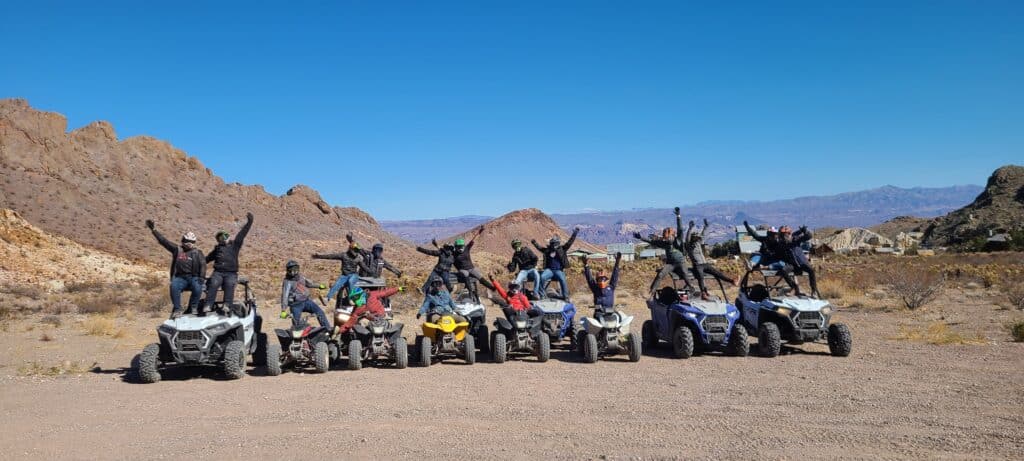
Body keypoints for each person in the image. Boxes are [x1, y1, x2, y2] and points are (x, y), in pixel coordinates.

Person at [146, 219, 206, 319]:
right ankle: (177, 309)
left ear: (194, 242)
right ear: (183, 240)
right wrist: (154, 230)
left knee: (198, 287)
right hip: (180, 278)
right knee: (173, 286)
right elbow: (164, 241)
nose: (189, 243)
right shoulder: (177, 249)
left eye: (191, 241)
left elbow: (203, 264)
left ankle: (193, 307)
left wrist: (202, 277)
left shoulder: (198, 252)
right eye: (187, 241)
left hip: (193, 277)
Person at [634, 207, 695, 297]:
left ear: (672, 236)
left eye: (668, 237)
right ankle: (652, 291)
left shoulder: (678, 240)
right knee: (661, 274)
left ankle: (691, 288)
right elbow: (652, 242)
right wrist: (640, 238)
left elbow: (680, 229)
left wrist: (678, 216)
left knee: (685, 274)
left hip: (681, 262)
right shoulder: (664, 244)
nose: (667, 239)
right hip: (671, 264)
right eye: (666, 237)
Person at [203, 212, 254, 314]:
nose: (223, 238)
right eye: (220, 237)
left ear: (228, 236)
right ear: (218, 240)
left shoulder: (235, 245)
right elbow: (207, 259)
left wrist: (249, 222)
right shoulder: (217, 249)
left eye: (225, 236)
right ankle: (208, 305)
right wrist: (196, 261)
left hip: (231, 273)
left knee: (230, 284)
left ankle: (227, 305)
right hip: (218, 272)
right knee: (214, 283)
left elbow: (242, 234)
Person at [684, 218, 739, 298]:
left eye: (697, 238)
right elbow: (687, 238)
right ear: (692, 239)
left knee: (717, 273)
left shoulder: (698, 243)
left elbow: (703, 235)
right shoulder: (688, 246)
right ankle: (703, 293)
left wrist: (706, 226)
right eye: (695, 238)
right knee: (700, 277)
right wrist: (690, 228)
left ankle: (732, 281)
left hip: (705, 264)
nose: (697, 239)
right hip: (697, 265)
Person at [313, 233, 365, 306]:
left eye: (357, 250)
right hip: (344, 275)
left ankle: (351, 299)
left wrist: (370, 271)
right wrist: (319, 256)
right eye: (355, 250)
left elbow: (364, 266)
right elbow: (331, 256)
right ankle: (327, 298)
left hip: (354, 274)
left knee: (350, 282)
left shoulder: (358, 258)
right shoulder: (343, 255)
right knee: (336, 285)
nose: (355, 252)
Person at [279, 260, 330, 329]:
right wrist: (283, 310)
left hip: (306, 301)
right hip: (295, 305)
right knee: (296, 323)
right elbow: (285, 295)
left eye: (295, 268)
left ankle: (328, 330)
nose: (293, 271)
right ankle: (298, 339)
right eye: (291, 269)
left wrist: (319, 286)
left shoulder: (301, 277)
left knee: (320, 312)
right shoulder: (288, 281)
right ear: (288, 270)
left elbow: (309, 284)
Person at [532, 227, 580, 299]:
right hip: (549, 270)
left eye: (555, 243)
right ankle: (541, 295)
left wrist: (575, 233)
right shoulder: (548, 250)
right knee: (542, 277)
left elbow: (570, 242)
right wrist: (535, 243)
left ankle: (565, 296)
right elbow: (540, 248)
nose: (553, 245)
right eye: (552, 243)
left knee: (562, 279)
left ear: (557, 243)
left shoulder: (562, 249)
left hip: (558, 270)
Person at [451, 226, 495, 302]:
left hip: (471, 268)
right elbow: (444, 253)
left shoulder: (466, 249)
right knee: (465, 275)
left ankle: (492, 288)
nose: (461, 248)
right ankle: (470, 292)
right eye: (459, 247)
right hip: (462, 270)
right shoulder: (453, 254)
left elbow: (473, 240)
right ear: (456, 247)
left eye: (461, 246)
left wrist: (480, 231)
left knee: (480, 276)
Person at [339, 285, 403, 336]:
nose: (354, 301)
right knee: (360, 325)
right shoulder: (358, 308)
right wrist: (339, 331)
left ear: (360, 295)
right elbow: (351, 321)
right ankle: (364, 343)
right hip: (368, 320)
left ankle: (394, 341)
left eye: (355, 298)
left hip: (383, 317)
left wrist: (398, 289)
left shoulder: (373, 294)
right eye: (353, 299)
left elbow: (386, 292)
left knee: (397, 323)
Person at [780, 225, 819, 297]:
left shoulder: (796, 239)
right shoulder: (782, 242)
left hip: (801, 262)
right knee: (783, 271)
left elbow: (808, 236)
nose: (784, 236)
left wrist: (805, 231)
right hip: (792, 264)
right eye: (782, 234)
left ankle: (814, 291)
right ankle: (793, 287)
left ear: (789, 233)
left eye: (786, 234)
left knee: (811, 270)